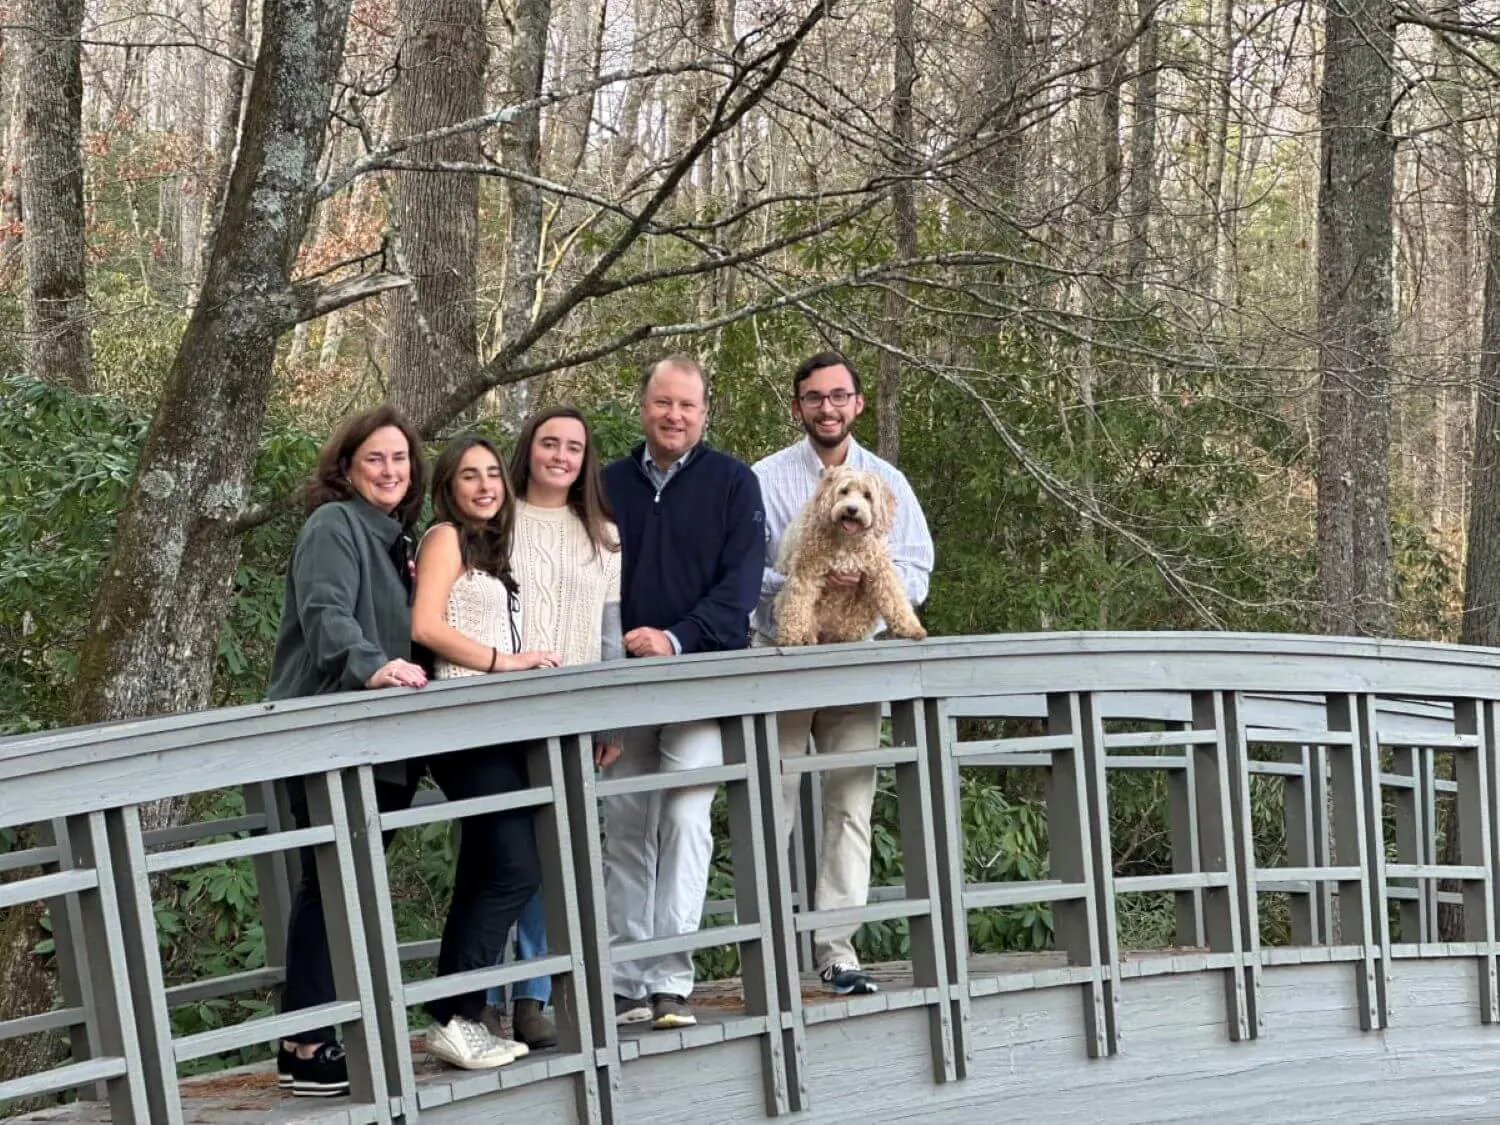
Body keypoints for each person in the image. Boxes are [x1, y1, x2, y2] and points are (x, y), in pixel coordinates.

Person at [752, 350, 934, 996]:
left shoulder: (887, 482)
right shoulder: (765, 479)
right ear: (797, 406)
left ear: (856, 403)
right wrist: (812, 579)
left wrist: (867, 596)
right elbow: (748, 573)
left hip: (857, 661)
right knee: (769, 801)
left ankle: (837, 948)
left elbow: (913, 568)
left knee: (850, 804)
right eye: (813, 397)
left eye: (838, 396)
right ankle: (766, 947)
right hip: (782, 655)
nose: (826, 407)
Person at [599, 356, 766, 1030]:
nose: (674, 416)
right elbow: (594, 587)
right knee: (627, 827)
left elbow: (741, 588)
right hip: (624, 687)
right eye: (663, 403)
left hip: (699, 680)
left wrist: (675, 637)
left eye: (687, 406)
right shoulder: (608, 484)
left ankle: (671, 976)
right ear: (643, 406)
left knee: (687, 820)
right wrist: (612, 666)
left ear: (704, 413)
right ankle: (625, 980)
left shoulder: (733, 483)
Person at [269, 406, 431, 1098]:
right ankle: (304, 1041)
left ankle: (326, 1029)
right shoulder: (333, 526)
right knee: (329, 883)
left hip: (382, 742)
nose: (391, 470)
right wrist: (374, 666)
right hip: (330, 727)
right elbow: (326, 612)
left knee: (348, 884)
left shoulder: (398, 540)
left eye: (400, 460)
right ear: (346, 466)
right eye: (376, 459)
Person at [409, 435, 564, 1070]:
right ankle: (456, 1015)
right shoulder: (444, 537)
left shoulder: (492, 552)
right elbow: (427, 626)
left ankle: (458, 1018)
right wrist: (508, 662)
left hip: (495, 725)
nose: (484, 485)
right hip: (462, 724)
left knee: (484, 868)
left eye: (493, 474)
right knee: (513, 869)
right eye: (469, 475)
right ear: (449, 486)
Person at [487, 406, 624, 1051]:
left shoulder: (603, 534)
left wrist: (611, 715)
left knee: (553, 856)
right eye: (549, 443)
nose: (560, 455)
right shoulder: (496, 519)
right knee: (496, 854)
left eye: (573, 446)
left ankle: (533, 997)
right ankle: (484, 996)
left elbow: (608, 635)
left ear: (584, 459)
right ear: (529, 449)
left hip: (574, 712)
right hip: (501, 707)